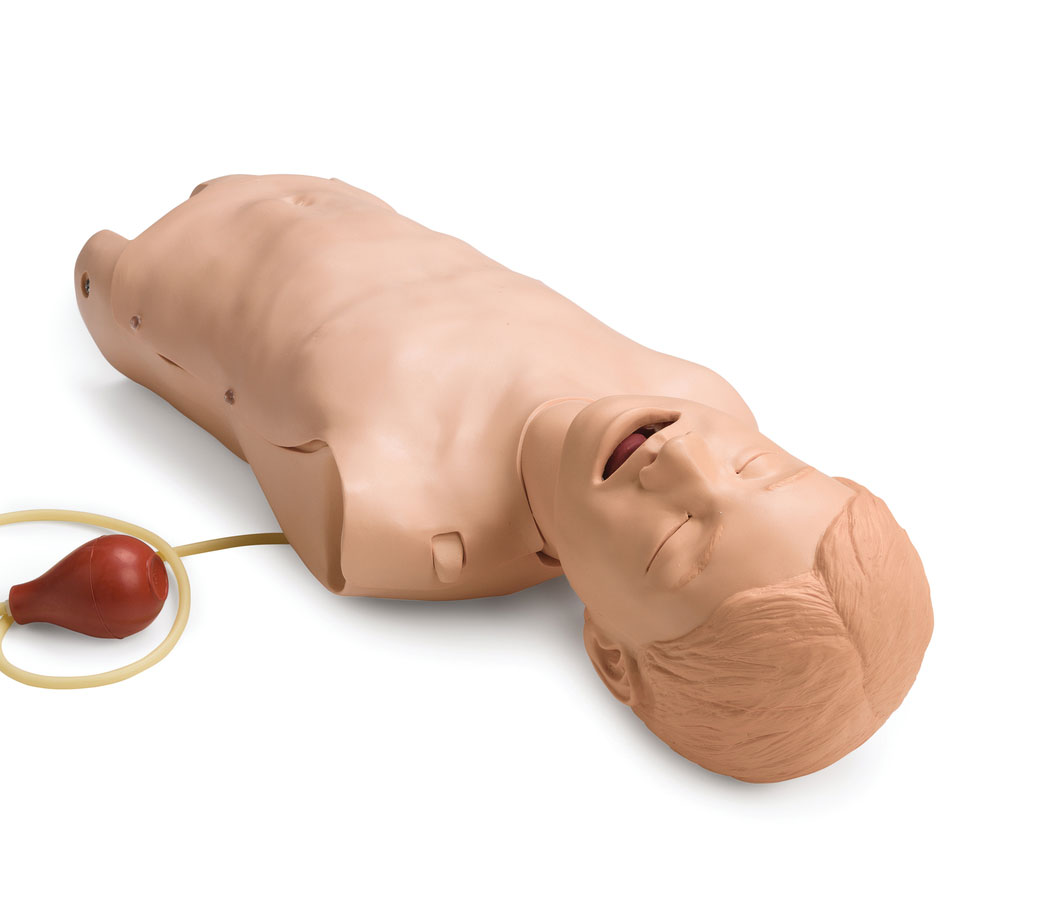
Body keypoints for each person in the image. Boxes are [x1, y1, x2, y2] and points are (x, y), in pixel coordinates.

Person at [75, 174, 933, 781]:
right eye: (759, 465)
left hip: (149, 261)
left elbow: (206, 376)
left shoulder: (398, 513)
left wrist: (118, 286)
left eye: (677, 538)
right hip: (322, 189)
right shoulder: (702, 394)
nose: (687, 460)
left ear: (610, 654)